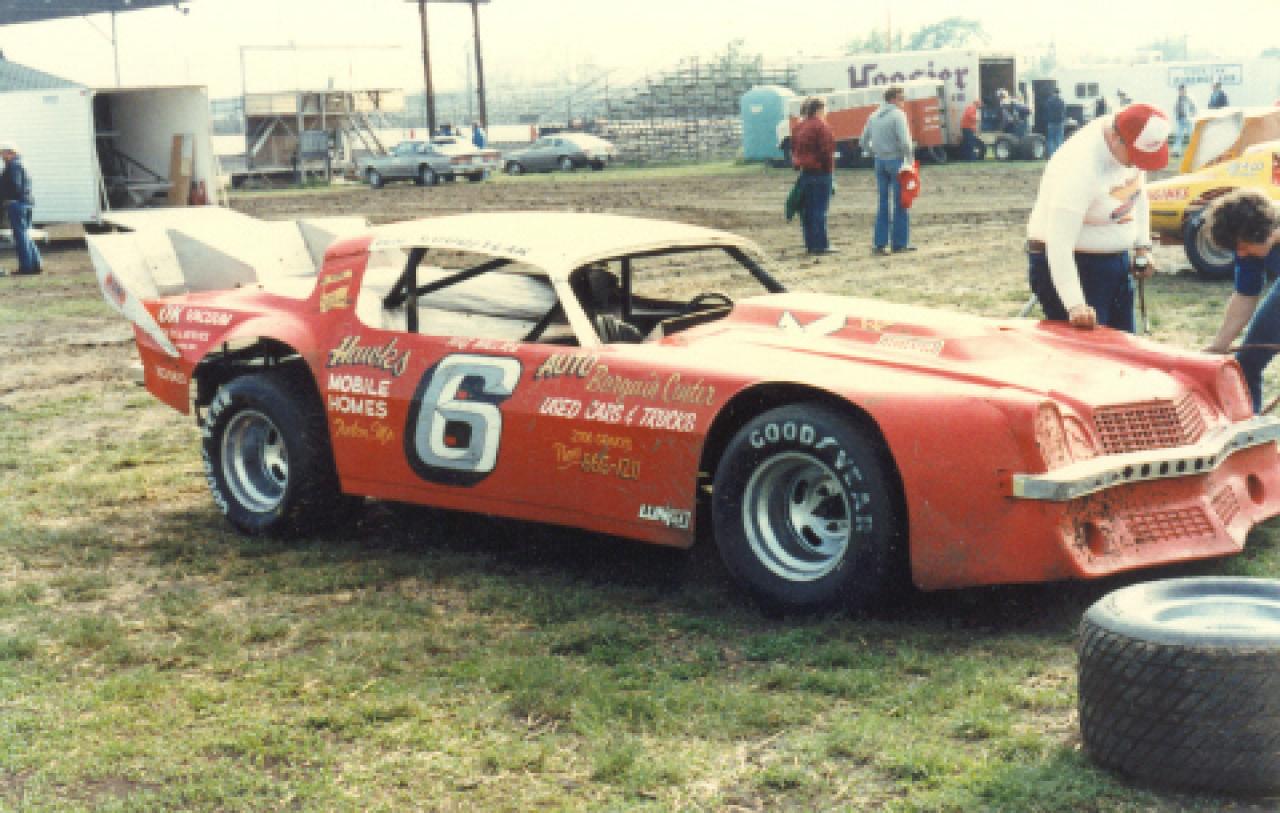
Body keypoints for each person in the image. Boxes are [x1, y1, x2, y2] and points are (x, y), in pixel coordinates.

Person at [1025, 103, 1171, 332]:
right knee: (1088, 357)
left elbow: (1137, 193)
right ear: (1115, 138)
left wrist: (1143, 246)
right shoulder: (1080, 167)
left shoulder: (1130, 137)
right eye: (1135, 157)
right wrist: (1075, 305)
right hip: (1076, 265)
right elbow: (1058, 245)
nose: (1137, 164)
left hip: (1116, 263)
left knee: (1125, 349)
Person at [1202, 189, 1280, 413]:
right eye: (1236, 249)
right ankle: (1250, 434)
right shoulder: (1248, 244)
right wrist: (1219, 345)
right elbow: (1245, 295)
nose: (1241, 254)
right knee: (1247, 363)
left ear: (1266, 233)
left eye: (1243, 247)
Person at [861, 85, 915, 254]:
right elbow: (906, 142)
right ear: (893, 99)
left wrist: (873, 152)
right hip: (897, 161)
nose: (903, 102)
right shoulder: (898, 115)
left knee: (883, 203)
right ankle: (899, 243)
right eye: (901, 99)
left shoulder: (873, 116)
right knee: (901, 202)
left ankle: (880, 243)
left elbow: (862, 141)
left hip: (880, 161)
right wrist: (910, 160)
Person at [790, 96, 837, 255]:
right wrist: (829, 170)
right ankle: (821, 245)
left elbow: (794, 149)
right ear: (819, 109)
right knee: (820, 210)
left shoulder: (799, 127)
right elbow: (826, 151)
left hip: (805, 172)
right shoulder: (822, 126)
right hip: (821, 172)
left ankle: (810, 244)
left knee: (808, 211)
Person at [0, 142, 39, 277]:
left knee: (20, 236)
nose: (1, 156)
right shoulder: (23, 163)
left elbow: (14, 186)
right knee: (26, 234)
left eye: (3, 153)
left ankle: (26, 267)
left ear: (11, 152)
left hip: (16, 204)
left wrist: (6, 198)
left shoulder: (13, 166)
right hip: (27, 202)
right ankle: (36, 264)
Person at [1172, 84, 1197, 157]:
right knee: (1179, 136)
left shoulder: (1189, 98)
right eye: (1180, 90)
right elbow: (1175, 108)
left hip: (1188, 120)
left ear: (1185, 90)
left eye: (1182, 90)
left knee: (1191, 136)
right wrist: (1176, 115)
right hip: (1180, 120)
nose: (1181, 91)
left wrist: (1191, 116)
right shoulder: (1178, 99)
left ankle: (1194, 152)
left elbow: (1194, 108)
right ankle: (1176, 152)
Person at [1043, 87, 1066, 157]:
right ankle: (1059, 155)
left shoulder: (1049, 101)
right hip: (1060, 122)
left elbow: (1046, 110)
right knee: (1059, 139)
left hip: (1051, 122)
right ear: (1059, 93)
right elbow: (1064, 111)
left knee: (1051, 139)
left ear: (1053, 93)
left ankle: (1051, 155)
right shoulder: (1062, 101)